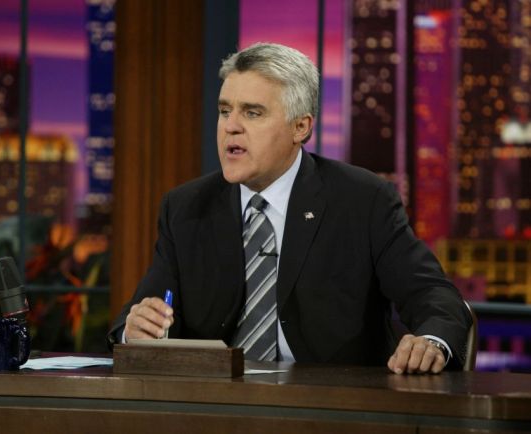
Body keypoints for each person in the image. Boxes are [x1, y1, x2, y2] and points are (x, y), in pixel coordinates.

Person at [107, 43, 472, 374]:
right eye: (224, 110)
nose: (230, 127)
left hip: (334, 405)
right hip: (216, 403)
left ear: (300, 127)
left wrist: (430, 342)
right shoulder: (186, 207)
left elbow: (432, 295)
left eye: (252, 113)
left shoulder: (363, 201)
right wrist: (135, 330)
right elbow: (144, 311)